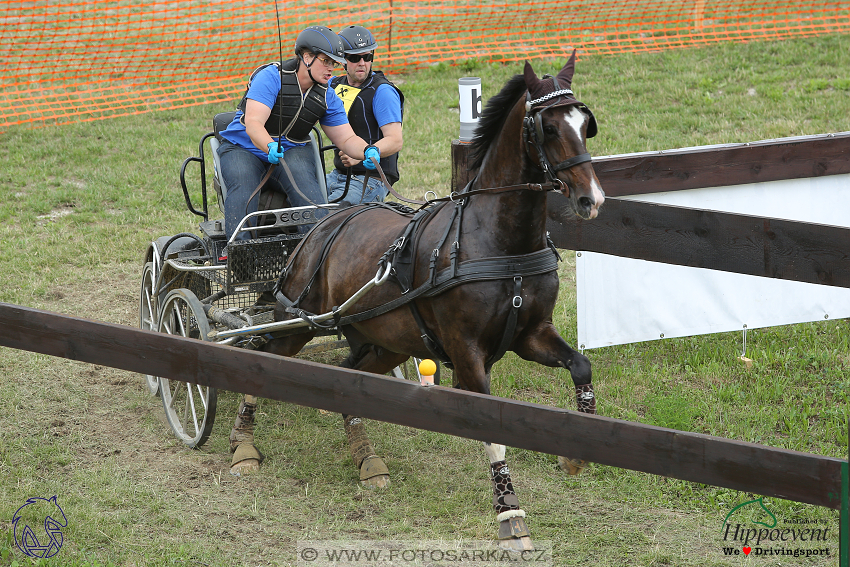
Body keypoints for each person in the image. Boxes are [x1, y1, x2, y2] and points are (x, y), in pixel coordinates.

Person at [216, 25, 383, 245]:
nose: (331, 68)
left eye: (334, 63)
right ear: (306, 57)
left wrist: (366, 150)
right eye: (326, 61)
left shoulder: (327, 96)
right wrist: (268, 145)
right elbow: (254, 123)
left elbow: (346, 139)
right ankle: (240, 251)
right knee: (243, 183)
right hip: (243, 148)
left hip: (291, 150)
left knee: (309, 194)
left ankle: (317, 251)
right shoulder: (271, 77)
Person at [326, 25, 404, 206]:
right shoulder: (334, 85)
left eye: (367, 57)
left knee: (325, 217)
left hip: (372, 179)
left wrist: (362, 153)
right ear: (342, 60)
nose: (362, 63)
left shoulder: (383, 92)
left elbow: (395, 140)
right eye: (354, 57)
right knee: (300, 209)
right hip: (338, 175)